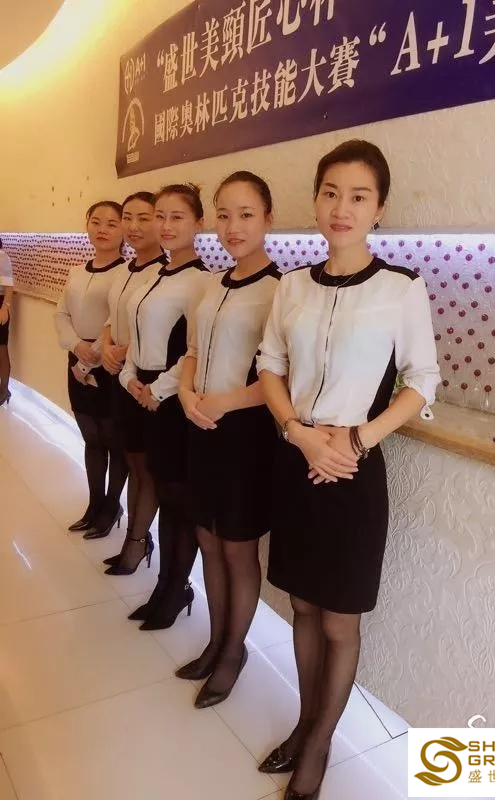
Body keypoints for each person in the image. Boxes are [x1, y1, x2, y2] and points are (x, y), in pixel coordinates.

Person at [257, 140, 441, 799]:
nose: (342, 207)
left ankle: (318, 745)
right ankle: (305, 723)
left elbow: (421, 381)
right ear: (316, 200)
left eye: (359, 196)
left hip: (354, 473)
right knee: (302, 605)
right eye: (331, 192)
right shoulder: (292, 286)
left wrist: (357, 440)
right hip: (297, 459)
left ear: (379, 208)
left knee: (338, 618)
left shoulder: (401, 287)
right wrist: (298, 433)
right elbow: (271, 366)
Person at [176, 172, 280, 709]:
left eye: (246, 214)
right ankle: (216, 641)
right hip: (201, 424)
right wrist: (186, 391)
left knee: (238, 549)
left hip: (245, 434)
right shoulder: (213, 284)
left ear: (268, 219)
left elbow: (280, 379)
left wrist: (223, 402)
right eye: (223, 214)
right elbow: (193, 350)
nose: (232, 226)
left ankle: (234, 651)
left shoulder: (281, 290)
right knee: (208, 540)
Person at [120, 184, 211, 629]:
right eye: (161, 215)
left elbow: (195, 350)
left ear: (198, 223)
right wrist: (129, 377)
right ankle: (165, 585)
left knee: (178, 499)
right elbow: (134, 334)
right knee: (165, 493)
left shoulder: (203, 281)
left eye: (177, 217)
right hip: (144, 393)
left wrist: (158, 389)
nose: (166, 225)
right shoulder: (154, 274)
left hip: (174, 401)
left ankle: (176, 587)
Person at [101, 192, 169, 575]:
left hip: (148, 383)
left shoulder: (165, 271)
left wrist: (124, 350)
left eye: (145, 218)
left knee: (147, 469)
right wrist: (107, 345)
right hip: (122, 378)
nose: (133, 226)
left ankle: (138, 542)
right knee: (131, 460)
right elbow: (113, 317)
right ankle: (133, 537)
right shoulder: (125, 269)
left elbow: (163, 334)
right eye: (128, 217)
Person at [54, 202, 129, 538]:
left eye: (112, 223)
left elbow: (117, 320)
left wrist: (92, 355)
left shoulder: (126, 273)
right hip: (77, 357)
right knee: (91, 438)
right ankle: (94, 504)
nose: (102, 229)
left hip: (108, 362)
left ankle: (112, 506)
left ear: (124, 230)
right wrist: (76, 347)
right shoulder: (76, 271)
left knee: (114, 439)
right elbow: (61, 314)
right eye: (96, 222)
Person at [0, 237, 13, 407]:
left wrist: (4, 308)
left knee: (1, 348)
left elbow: (9, 287)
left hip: (0, 305)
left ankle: (4, 389)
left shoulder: (2, 257)